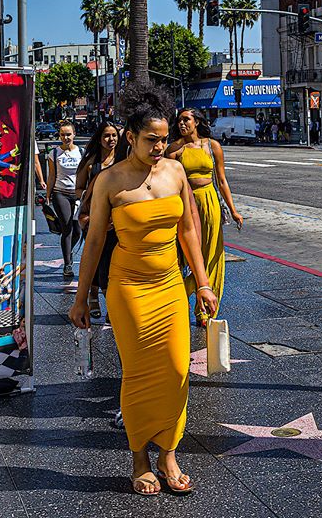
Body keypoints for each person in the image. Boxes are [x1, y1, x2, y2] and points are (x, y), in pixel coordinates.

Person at [69, 83, 218, 496]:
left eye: (165, 138)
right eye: (152, 139)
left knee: (176, 369)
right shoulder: (109, 181)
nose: (160, 146)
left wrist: (202, 283)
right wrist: (82, 297)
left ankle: (169, 452)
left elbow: (189, 226)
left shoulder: (174, 171)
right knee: (137, 374)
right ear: (131, 136)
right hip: (129, 287)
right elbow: (95, 241)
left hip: (170, 284)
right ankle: (139, 457)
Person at [166, 108, 243, 327]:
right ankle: (180, 299)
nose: (182, 124)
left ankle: (205, 311)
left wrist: (233, 209)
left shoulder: (212, 146)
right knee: (189, 255)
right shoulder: (174, 149)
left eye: (186, 120)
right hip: (186, 203)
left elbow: (222, 180)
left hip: (209, 202)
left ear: (197, 122)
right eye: (179, 120)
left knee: (212, 255)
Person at [75, 120, 119, 319]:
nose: (111, 139)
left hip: (117, 220)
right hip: (93, 219)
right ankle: (93, 295)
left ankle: (111, 302)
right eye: (106, 136)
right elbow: (78, 189)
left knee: (111, 262)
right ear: (99, 139)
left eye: (114, 135)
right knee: (96, 258)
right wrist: (86, 214)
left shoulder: (124, 160)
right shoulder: (91, 162)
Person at [46, 120, 82, 278]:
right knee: (67, 228)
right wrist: (47, 194)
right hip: (60, 193)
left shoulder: (81, 152)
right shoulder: (54, 153)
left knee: (78, 231)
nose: (66, 137)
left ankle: (69, 252)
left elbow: (84, 174)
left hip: (78, 194)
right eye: (62, 134)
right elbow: (52, 175)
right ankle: (68, 264)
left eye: (68, 134)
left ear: (74, 134)